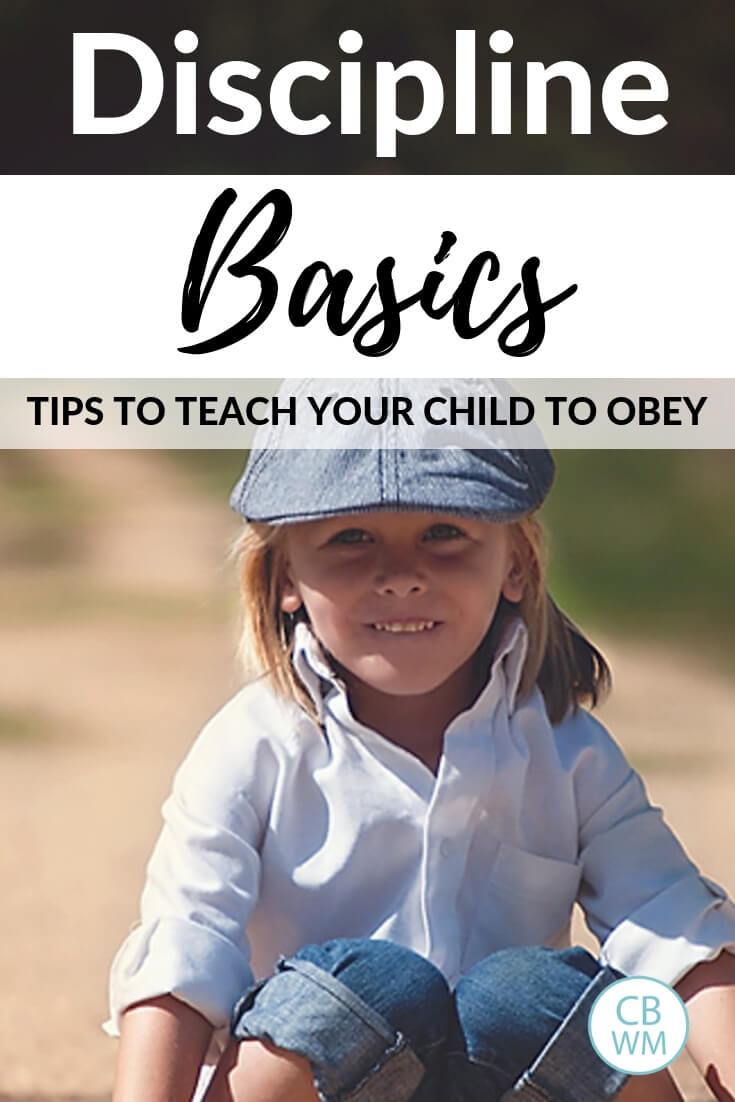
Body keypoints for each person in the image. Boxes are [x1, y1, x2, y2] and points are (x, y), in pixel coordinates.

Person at [107, 380, 735, 1102]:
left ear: (516, 564)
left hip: (505, 1084)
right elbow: (185, 946)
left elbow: (673, 929)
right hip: (325, 1083)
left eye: (444, 532)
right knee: (366, 988)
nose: (400, 576)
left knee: (540, 996)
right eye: (350, 536)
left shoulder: (569, 751)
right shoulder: (251, 746)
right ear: (285, 575)